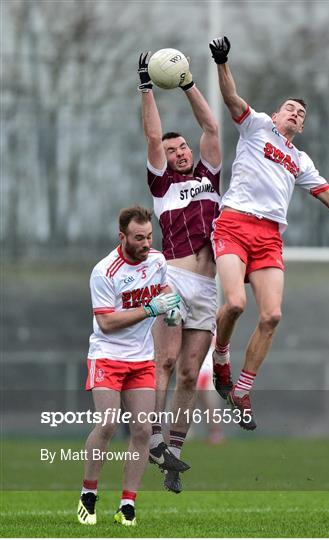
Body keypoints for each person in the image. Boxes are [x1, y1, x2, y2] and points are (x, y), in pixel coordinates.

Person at [208, 36, 329, 431]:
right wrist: (222, 62)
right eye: (291, 108)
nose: (296, 114)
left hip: (268, 237)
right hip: (234, 222)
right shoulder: (257, 127)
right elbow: (231, 98)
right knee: (233, 305)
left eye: (302, 113)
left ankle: (243, 390)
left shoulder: (300, 160)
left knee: (273, 315)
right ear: (276, 113)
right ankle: (221, 357)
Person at [137, 52, 222, 493]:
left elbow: (210, 126)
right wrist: (147, 89)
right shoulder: (162, 185)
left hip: (208, 288)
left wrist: (189, 84)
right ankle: (153, 440)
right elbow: (152, 137)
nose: (179, 151)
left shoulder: (210, 175)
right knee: (165, 360)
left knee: (191, 372)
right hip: (172, 280)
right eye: (172, 151)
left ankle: (174, 455)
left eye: (181, 146)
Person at [77, 206, 184, 527]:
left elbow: (165, 291)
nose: (146, 243)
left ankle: (127, 504)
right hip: (108, 355)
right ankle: (88, 493)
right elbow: (107, 322)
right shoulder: (104, 272)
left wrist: (172, 308)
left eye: (149, 236)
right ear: (122, 237)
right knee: (108, 425)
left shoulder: (157, 260)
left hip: (140, 359)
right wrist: (151, 309)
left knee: (141, 430)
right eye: (138, 238)